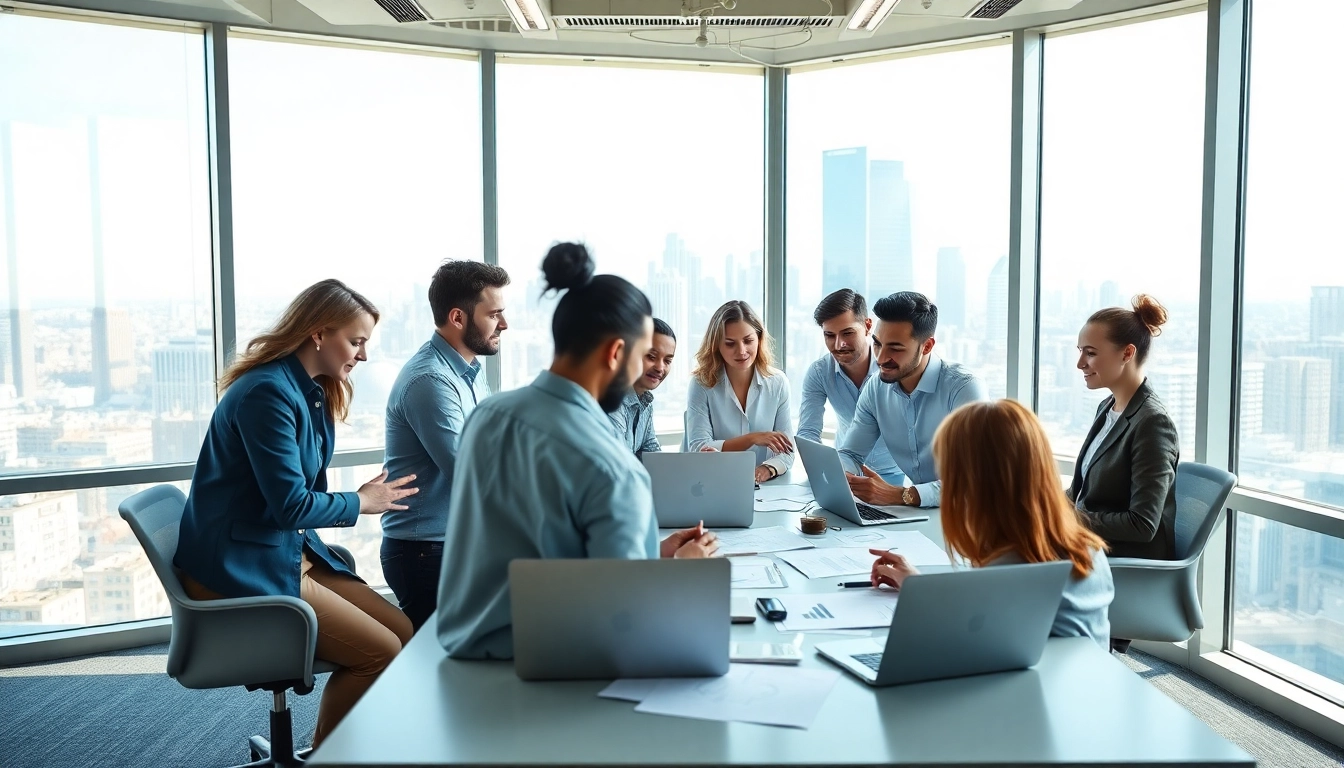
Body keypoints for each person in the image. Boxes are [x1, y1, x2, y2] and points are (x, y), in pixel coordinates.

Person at [436, 243, 719, 660]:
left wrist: (646, 557)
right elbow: (626, 626)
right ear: (616, 354)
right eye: (643, 356)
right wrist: (682, 573)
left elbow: (531, 550)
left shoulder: (488, 417)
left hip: (461, 659)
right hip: (550, 670)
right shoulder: (612, 467)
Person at [174, 279, 418, 747]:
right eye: (356, 341)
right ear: (319, 334)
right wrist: (362, 502)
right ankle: (331, 756)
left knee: (404, 630)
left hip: (279, 550)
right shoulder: (268, 394)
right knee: (380, 652)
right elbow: (291, 506)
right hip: (239, 566)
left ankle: (349, 744)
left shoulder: (308, 390)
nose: (362, 356)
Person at [868, 399, 1114, 649]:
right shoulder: (1086, 549)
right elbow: (982, 613)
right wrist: (918, 587)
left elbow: (967, 641)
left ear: (975, 486)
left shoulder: (1008, 570)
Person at [381, 260, 510, 632]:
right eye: (495, 314)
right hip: (426, 554)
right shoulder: (431, 381)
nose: (504, 324)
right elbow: (472, 469)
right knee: (446, 670)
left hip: (456, 544)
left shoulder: (468, 372)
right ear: (458, 317)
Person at [838, 291, 987, 508]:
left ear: (927, 346)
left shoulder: (964, 388)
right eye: (878, 344)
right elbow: (851, 453)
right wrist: (842, 477)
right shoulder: (875, 388)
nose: (880, 358)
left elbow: (976, 481)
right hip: (928, 514)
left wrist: (901, 495)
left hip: (980, 517)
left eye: (895, 348)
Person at [1069, 295, 1180, 560]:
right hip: (1091, 548)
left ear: (1127, 353)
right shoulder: (1108, 408)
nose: (1080, 363)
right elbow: (1082, 493)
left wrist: (1069, 521)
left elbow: (1143, 524)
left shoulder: (1153, 423)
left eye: (1091, 353)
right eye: (1080, 351)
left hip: (1123, 561)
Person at [796, 289, 902, 484]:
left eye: (848, 333)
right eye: (829, 335)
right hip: (845, 472)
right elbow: (808, 432)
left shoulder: (894, 369)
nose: (839, 344)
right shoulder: (819, 373)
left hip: (896, 474)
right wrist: (824, 472)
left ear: (868, 326)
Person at [686, 300, 794, 484]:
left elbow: (787, 451)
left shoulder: (778, 383)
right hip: (711, 483)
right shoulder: (701, 383)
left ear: (759, 339)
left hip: (764, 490)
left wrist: (766, 470)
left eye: (748, 341)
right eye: (730, 344)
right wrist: (753, 438)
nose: (742, 351)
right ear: (716, 346)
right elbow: (699, 448)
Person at [608, 317, 676, 457]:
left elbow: (653, 456)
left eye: (667, 361)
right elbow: (619, 463)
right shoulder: (612, 402)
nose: (660, 367)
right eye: (651, 356)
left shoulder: (645, 404)